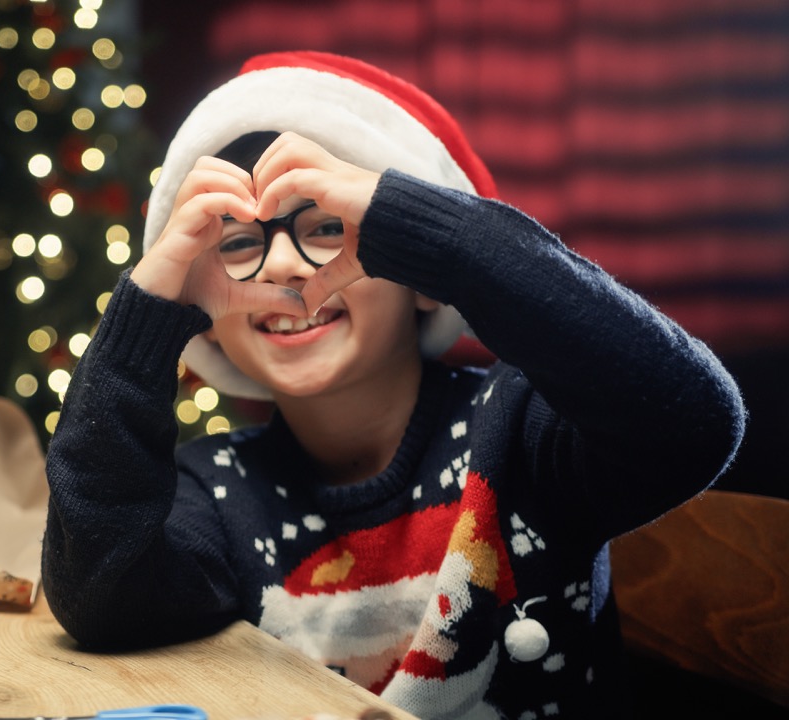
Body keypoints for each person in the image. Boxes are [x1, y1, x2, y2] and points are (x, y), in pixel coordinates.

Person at [41, 51, 745, 720]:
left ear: (423, 277)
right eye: (237, 243)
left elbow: (691, 423)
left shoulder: (523, 434)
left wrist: (421, 227)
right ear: (202, 316)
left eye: (328, 227)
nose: (285, 268)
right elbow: (102, 599)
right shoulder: (216, 490)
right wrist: (146, 312)